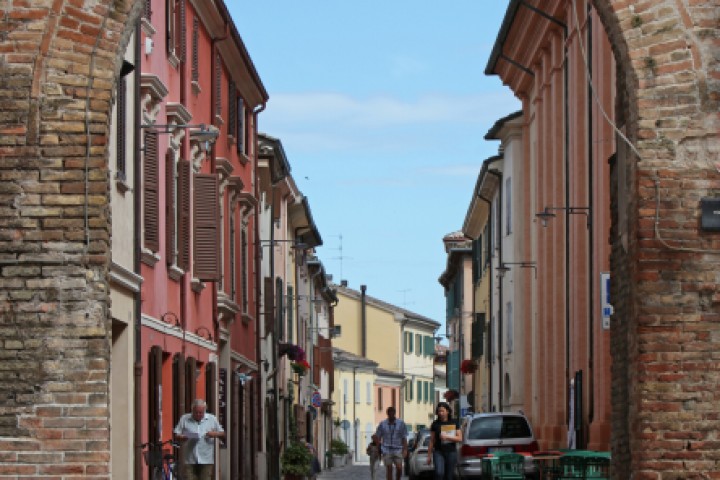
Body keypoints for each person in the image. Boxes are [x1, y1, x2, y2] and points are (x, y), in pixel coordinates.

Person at [174, 398, 225, 480]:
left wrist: (214, 434)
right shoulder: (184, 418)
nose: (198, 414)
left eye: (200, 413)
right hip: (189, 458)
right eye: (196, 412)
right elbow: (176, 433)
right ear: (192, 410)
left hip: (206, 458)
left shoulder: (212, 419)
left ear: (204, 410)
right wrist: (182, 437)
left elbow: (222, 433)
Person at [427, 402, 462, 480]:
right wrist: (429, 456)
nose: (441, 413)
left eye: (443, 411)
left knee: (449, 476)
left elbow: (459, 438)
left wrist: (447, 437)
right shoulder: (435, 424)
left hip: (451, 452)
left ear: (447, 411)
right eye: (439, 411)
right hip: (438, 452)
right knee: (439, 473)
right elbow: (432, 440)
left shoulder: (454, 422)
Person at [375, 406, 408, 480]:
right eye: (390, 413)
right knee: (389, 468)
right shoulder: (382, 424)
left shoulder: (401, 424)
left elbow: (404, 437)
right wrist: (378, 449)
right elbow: (378, 437)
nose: (391, 415)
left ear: (395, 413)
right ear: (387, 414)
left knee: (399, 468)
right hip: (386, 449)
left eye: (393, 413)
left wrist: (405, 449)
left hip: (398, 449)